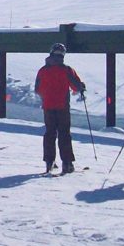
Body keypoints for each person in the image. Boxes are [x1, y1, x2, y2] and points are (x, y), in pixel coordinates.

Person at [35, 43, 86, 174]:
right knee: (64, 134)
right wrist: (81, 86)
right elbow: (76, 86)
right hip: (62, 106)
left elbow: (37, 89)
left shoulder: (42, 70)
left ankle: (49, 162)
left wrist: (46, 96)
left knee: (50, 133)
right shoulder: (67, 70)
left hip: (48, 106)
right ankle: (67, 163)